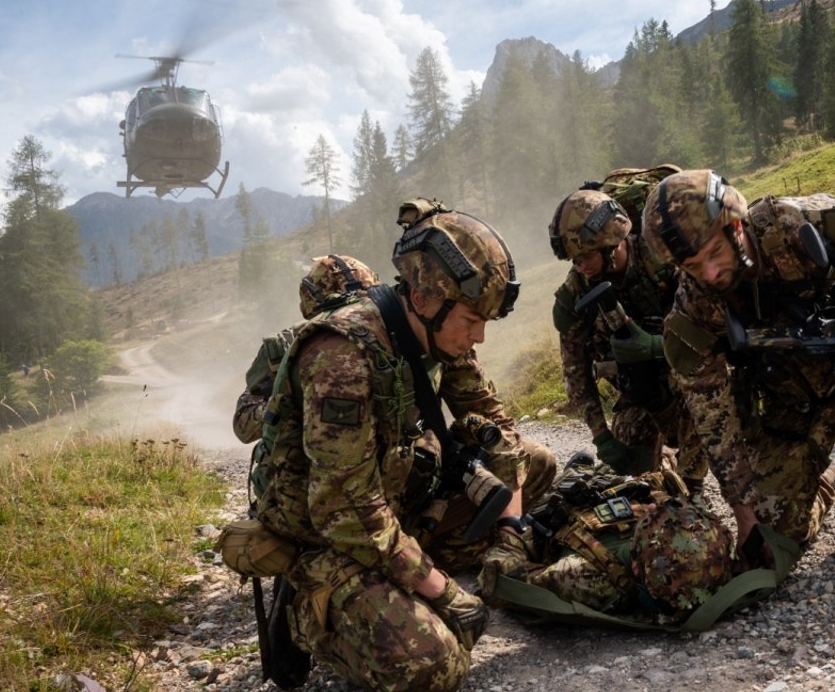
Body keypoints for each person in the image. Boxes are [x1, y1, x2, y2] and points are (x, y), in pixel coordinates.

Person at [253, 199, 556, 692]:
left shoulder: (443, 335)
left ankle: (408, 571)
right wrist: (439, 588)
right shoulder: (342, 355)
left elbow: (504, 437)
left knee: (537, 464)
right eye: (472, 320)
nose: (479, 337)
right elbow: (343, 509)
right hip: (331, 532)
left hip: (398, 500)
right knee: (432, 667)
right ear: (422, 300)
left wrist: (511, 534)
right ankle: (306, 609)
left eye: (487, 322)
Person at [642, 169, 835, 561]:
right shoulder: (693, 312)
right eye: (692, 265)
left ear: (735, 225)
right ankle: (832, 473)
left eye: (713, 253)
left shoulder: (799, 223)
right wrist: (745, 516)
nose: (709, 273)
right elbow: (713, 422)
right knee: (779, 537)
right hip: (787, 409)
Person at [548, 188, 708, 488]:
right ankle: (665, 461)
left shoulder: (664, 259)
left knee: (689, 475)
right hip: (639, 390)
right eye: (574, 260)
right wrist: (601, 436)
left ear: (612, 241)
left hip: (694, 375)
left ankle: (693, 484)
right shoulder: (576, 293)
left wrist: (657, 346)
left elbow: (713, 331)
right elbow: (575, 371)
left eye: (585, 256)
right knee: (632, 474)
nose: (580, 267)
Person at [516, 455, 735, 625]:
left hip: (551, 521)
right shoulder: (711, 546)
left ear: (635, 568)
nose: (650, 508)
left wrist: (508, 523)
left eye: (650, 515)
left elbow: (507, 576)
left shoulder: (580, 576)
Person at [232, 254, 379, 446]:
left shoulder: (396, 338)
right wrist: (290, 402)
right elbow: (244, 425)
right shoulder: (287, 347)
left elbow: (243, 426)